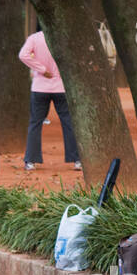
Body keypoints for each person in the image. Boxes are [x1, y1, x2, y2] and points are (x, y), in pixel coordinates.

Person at [18, 25, 80, 172]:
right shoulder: (63, 37)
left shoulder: (34, 38)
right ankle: (77, 160)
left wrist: (41, 70)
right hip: (61, 87)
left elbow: (23, 55)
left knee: (35, 123)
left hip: (39, 87)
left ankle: (31, 161)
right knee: (68, 123)